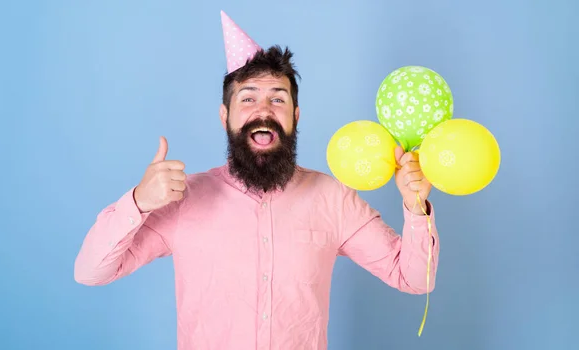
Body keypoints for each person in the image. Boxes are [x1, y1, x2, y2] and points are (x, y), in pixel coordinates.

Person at [74, 10, 440, 350]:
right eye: (247, 99)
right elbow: (91, 272)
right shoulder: (182, 200)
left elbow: (413, 278)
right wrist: (137, 201)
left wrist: (414, 207)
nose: (263, 110)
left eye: (277, 100)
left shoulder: (333, 198)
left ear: (295, 116)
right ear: (225, 116)